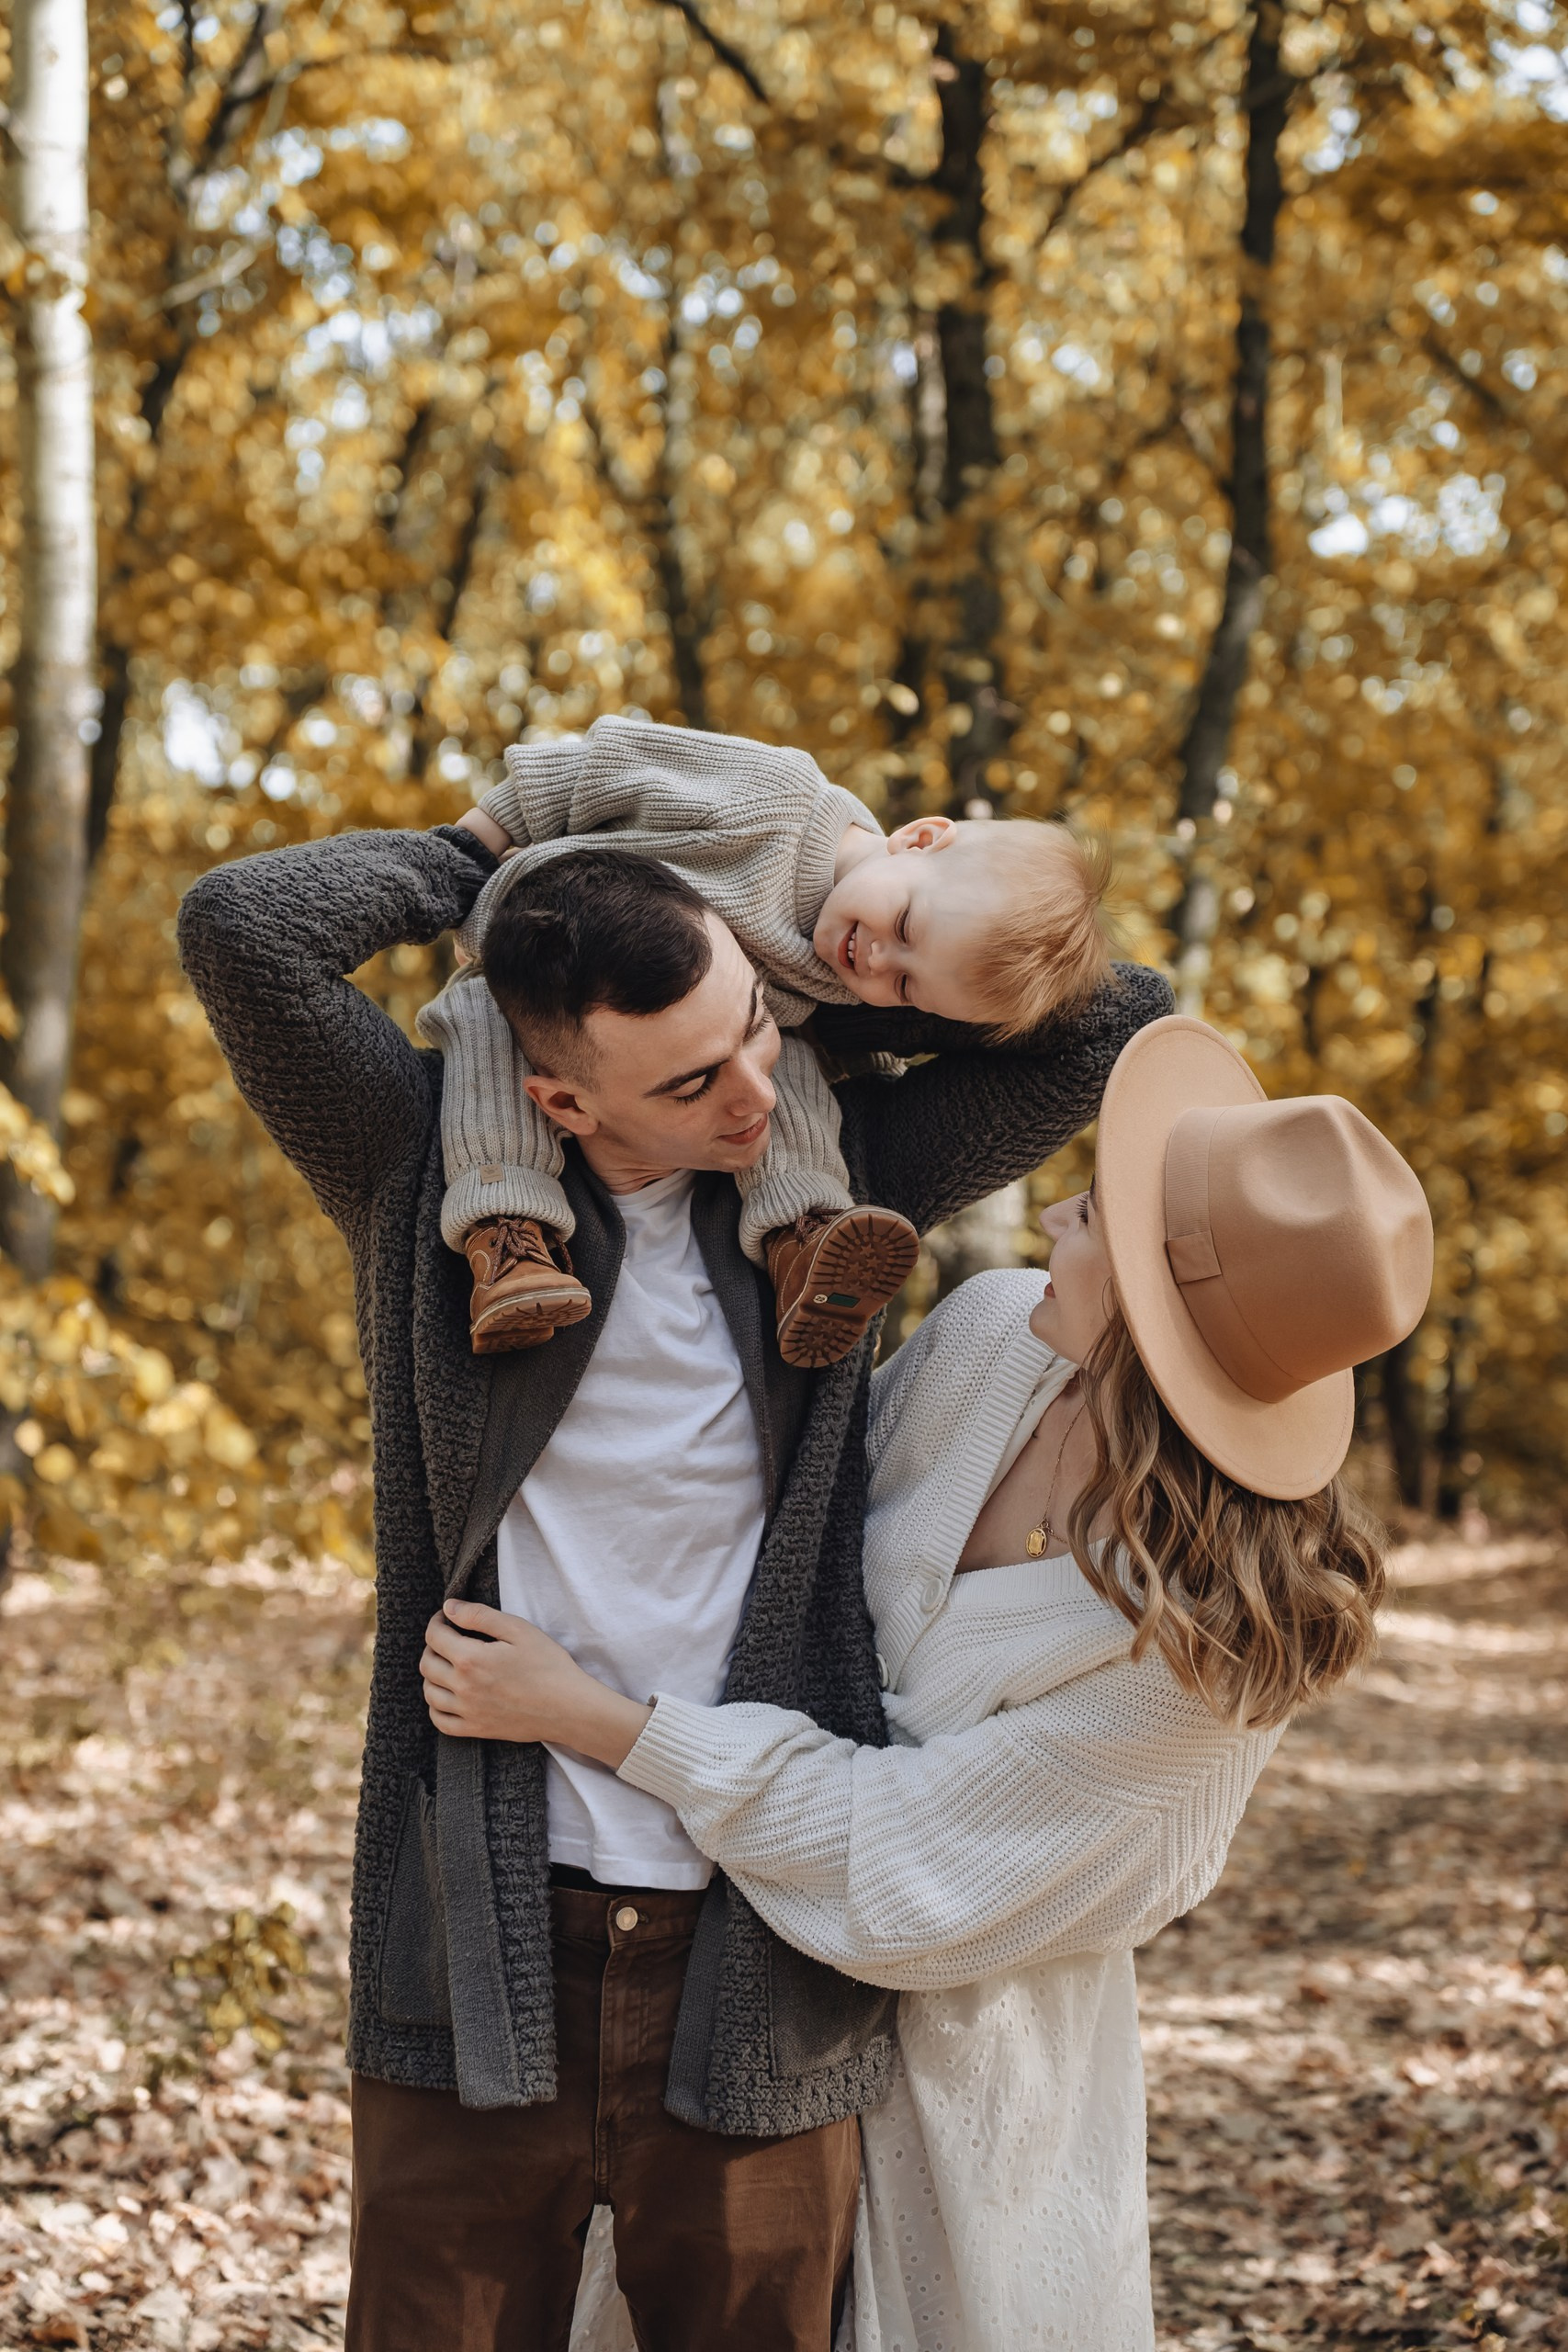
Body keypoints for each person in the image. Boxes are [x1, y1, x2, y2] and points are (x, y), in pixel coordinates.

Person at [176, 810, 1168, 2352]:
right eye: (695, 1079)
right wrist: (503, 852)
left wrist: (842, 887)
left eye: (759, 1034)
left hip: (752, 1945)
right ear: (555, 1094)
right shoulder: (422, 1168)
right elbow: (243, 926)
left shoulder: (832, 1179)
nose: (755, 1094)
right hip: (477, 1938)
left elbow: (1121, 1019)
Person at [419, 1013, 1435, 2352]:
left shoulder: (1203, 1660)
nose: (1064, 1207)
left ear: (1163, 1316)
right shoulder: (996, 1334)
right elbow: (788, 1558)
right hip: (740, 2008)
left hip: (963, 2094)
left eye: (1108, 1225)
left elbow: (900, 1854)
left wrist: (597, 1721)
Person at [420, 714, 1113, 1365]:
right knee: (484, 1053)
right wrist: (461, 851)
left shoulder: (834, 985)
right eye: (904, 927)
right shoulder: (773, 801)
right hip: (535, 958)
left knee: (790, 1072)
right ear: (920, 838)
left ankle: (806, 1237)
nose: (875, 961)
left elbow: (861, 1063)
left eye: (904, 987)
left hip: (704, 1047)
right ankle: (507, 1235)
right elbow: (597, 768)